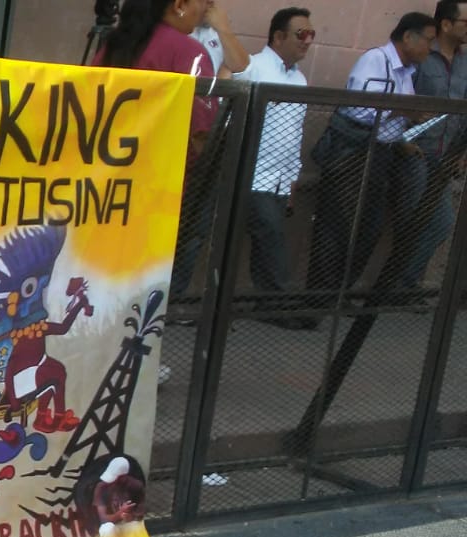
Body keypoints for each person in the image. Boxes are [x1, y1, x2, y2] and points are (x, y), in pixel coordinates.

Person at [94, 0, 218, 384]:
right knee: (146, 283)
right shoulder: (190, 53)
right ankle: (135, 366)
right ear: (179, 4)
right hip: (157, 191)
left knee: (102, 279)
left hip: (102, 187)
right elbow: (201, 128)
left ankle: (93, 359)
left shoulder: (114, 46)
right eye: (203, 1)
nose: (207, 9)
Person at [304, 13, 437, 308]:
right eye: (428, 41)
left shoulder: (406, 72)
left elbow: (392, 117)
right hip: (353, 153)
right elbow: (359, 109)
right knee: (338, 226)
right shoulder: (375, 60)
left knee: (368, 229)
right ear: (408, 37)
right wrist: (403, 111)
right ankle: (318, 299)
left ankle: (338, 294)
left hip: (382, 154)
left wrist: (404, 133)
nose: (430, 48)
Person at [234, 7, 315, 330]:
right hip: (252, 174)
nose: (307, 41)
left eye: (311, 35)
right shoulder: (254, 67)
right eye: (301, 34)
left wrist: (292, 180)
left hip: (280, 179)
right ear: (278, 37)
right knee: (271, 234)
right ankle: (278, 303)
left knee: (269, 237)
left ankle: (268, 301)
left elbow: (294, 134)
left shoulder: (299, 79)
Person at [406, 1, 467, 295]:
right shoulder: (422, 57)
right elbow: (403, 98)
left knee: (440, 223)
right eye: (466, 22)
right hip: (415, 154)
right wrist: (404, 141)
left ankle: (403, 286)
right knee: (412, 222)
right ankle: (396, 289)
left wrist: (462, 153)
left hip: (445, 157)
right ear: (446, 24)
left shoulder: (464, 63)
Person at [190, 0, 250, 78]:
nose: (211, 1)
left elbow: (243, 69)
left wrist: (224, 29)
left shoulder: (215, 30)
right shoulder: (176, 35)